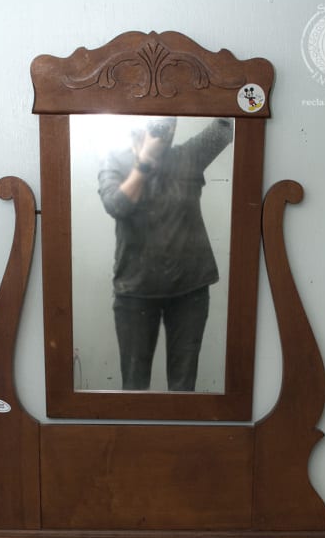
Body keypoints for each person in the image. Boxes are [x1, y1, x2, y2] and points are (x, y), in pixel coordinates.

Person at [98, 116, 233, 391]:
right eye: (156, 122)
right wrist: (145, 161)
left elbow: (226, 125)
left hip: (189, 289)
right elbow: (116, 206)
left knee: (183, 385)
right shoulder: (115, 159)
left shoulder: (188, 155)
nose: (164, 128)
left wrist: (195, 86)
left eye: (169, 121)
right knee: (134, 386)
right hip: (134, 290)